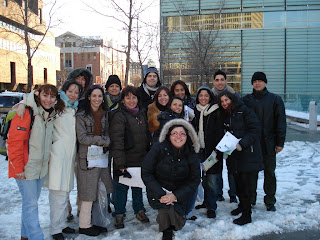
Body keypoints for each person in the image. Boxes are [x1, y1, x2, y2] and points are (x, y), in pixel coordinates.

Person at [7, 84, 64, 240]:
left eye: (52, 96)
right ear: (38, 95)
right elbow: (14, 142)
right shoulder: (26, 112)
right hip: (25, 168)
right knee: (31, 205)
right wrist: (18, 167)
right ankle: (36, 237)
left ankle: (25, 236)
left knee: (29, 204)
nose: (48, 99)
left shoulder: (49, 114)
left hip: (39, 168)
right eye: (45, 95)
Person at [141, 119, 201, 240]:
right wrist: (163, 194)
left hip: (181, 192)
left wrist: (175, 195)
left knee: (178, 219)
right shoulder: (158, 148)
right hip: (158, 191)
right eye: (174, 133)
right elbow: (146, 172)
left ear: (187, 136)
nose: (178, 136)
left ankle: (175, 219)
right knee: (166, 210)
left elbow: (195, 179)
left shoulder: (191, 153)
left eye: (182, 133)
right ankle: (166, 231)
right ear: (169, 136)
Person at [218, 90, 264, 225]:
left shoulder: (244, 111)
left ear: (232, 99)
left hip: (247, 154)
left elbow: (255, 129)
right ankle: (242, 206)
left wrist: (242, 143)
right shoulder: (227, 114)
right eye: (222, 101)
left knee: (245, 185)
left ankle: (247, 214)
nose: (224, 103)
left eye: (226, 100)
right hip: (234, 155)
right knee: (237, 184)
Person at [242, 72, 286, 211]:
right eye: (255, 81)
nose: (257, 83)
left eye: (260, 81)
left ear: (265, 83)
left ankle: (270, 200)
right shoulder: (246, 100)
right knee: (251, 174)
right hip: (252, 144)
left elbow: (281, 122)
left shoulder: (275, 100)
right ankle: (250, 199)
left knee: (269, 173)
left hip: (269, 143)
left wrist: (280, 142)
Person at [110, 86, 150, 229]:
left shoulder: (142, 114)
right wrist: (120, 163)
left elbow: (146, 137)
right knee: (121, 188)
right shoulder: (119, 115)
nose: (131, 100)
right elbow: (117, 140)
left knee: (137, 187)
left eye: (134, 97)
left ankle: (139, 210)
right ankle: (119, 214)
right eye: (128, 97)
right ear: (123, 99)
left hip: (140, 158)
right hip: (124, 160)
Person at [76, 85, 113, 237]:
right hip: (87, 157)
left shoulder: (105, 114)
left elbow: (109, 134)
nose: (97, 99)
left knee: (101, 190)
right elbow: (82, 138)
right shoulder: (81, 115)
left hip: (101, 157)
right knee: (88, 191)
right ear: (89, 97)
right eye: (94, 96)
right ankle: (84, 225)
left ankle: (98, 221)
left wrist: (106, 141)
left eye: (100, 96)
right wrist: (101, 140)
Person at [192, 85, 223, 219]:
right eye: (201, 95)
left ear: (210, 97)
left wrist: (218, 150)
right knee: (202, 179)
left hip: (212, 151)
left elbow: (220, 132)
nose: (203, 98)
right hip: (199, 150)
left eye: (206, 95)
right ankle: (205, 202)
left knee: (212, 180)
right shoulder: (194, 112)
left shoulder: (216, 111)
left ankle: (212, 206)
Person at [211, 69, 238, 202]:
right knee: (217, 167)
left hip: (231, 138)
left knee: (232, 168)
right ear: (213, 81)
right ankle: (218, 193)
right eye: (217, 80)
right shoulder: (209, 96)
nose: (220, 82)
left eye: (222, 79)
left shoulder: (234, 95)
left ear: (226, 81)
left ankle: (233, 194)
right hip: (216, 137)